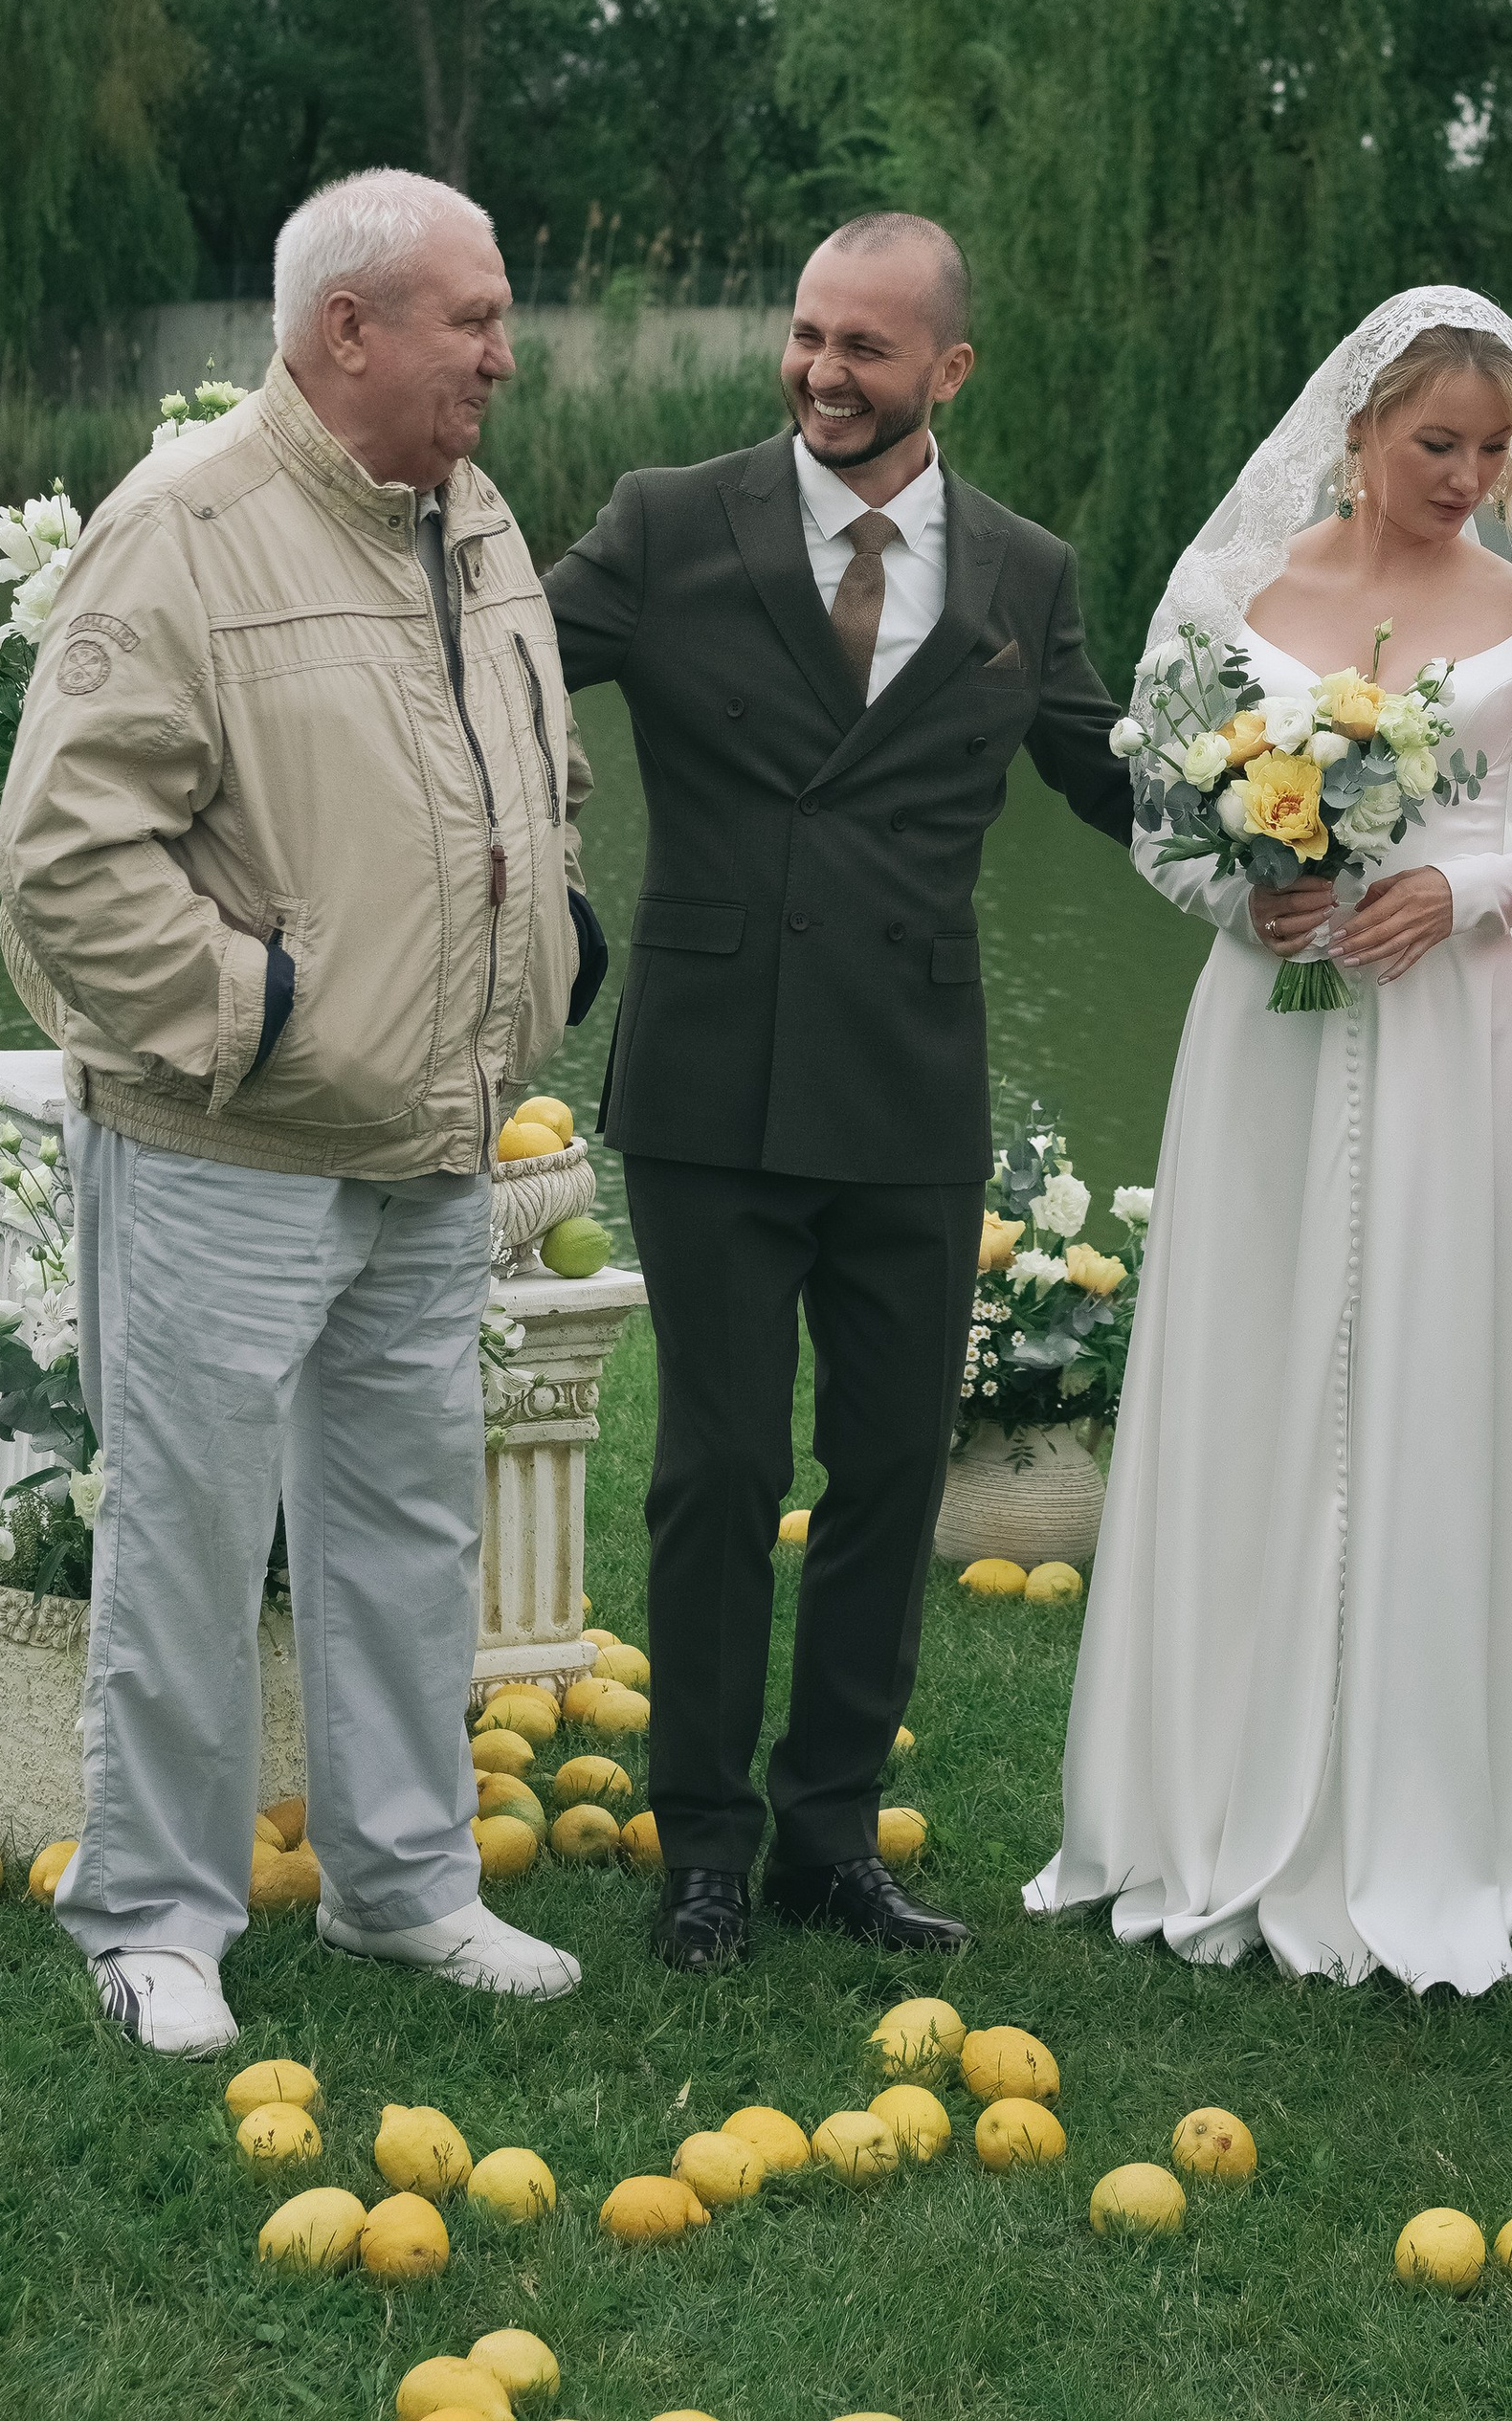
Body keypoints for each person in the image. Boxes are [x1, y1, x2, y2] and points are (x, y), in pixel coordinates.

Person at [1028, 289, 1512, 1991]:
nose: (1467, 477)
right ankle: (1199, 1793)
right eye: (1437, 446)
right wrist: (1246, 899)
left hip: (1455, 1041)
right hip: (1263, 1031)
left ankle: (1420, 1815)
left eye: (1495, 451)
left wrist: (1456, 890)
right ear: (1359, 431)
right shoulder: (1232, 597)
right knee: (1248, 1371)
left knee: (1429, 1379)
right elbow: (1163, 823)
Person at [0, 168, 605, 2057]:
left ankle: (403, 1886)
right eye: (472, 320)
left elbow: (522, 759)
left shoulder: (470, 517)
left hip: (429, 1129)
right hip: (222, 1144)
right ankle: (156, 1920)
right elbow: (63, 858)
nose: (506, 355)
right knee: (187, 1534)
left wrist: (548, 939)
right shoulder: (181, 534)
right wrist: (260, 1022)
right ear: (348, 329)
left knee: (404, 1517)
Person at [544, 212, 1136, 1972]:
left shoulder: (1025, 571)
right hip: (711, 1080)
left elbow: (1120, 780)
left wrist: (1317, 821)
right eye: (808, 335)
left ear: (946, 369)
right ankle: (703, 1847)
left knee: (888, 1466)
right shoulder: (665, 521)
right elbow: (484, 674)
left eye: (866, 348)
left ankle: (829, 1839)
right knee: (718, 1468)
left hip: (908, 1085)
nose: (822, 372)